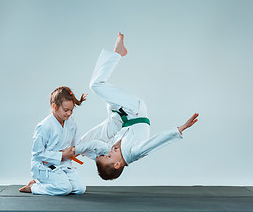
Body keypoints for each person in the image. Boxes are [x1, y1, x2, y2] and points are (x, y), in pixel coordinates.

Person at [76, 33, 199, 180]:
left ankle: (71, 152)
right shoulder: (134, 152)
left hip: (120, 116)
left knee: (86, 146)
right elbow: (156, 142)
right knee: (95, 85)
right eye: (109, 156)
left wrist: (76, 151)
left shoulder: (115, 152)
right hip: (134, 110)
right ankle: (118, 53)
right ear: (117, 165)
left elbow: (97, 147)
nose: (109, 152)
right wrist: (180, 129)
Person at [19, 86, 87, 195]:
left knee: (80, 189)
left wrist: (85, 151)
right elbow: (37, 154)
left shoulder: (71, 122)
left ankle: (56, 183)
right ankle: (33, 187)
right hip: (45, 165)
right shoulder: (44, 126)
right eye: (66, 110)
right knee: (65, 189)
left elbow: (78, 144)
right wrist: (62, 155)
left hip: (63, 164)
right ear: (54, 106)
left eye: (71, 110)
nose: (69, 113)